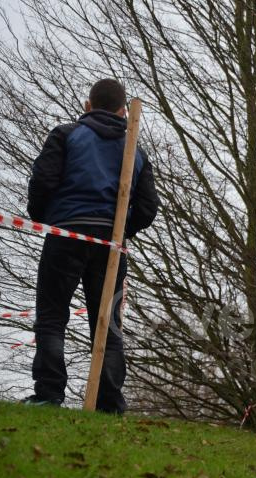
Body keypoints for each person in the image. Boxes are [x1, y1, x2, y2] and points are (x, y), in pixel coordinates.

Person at [23, 78, 159, 414]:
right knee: (108, 322)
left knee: (53, 316)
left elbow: (42, 181)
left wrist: (47, 217)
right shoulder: (134, 150)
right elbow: (148, 207)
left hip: (67, 235)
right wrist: (123, 230)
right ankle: (109, 403)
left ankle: (49, 393)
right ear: (122, 110)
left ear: (88, 105)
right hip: (111, 244)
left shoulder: (66, 135)